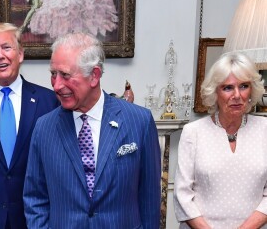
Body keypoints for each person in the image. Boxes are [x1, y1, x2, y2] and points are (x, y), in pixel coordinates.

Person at [23, 32, 161, 228]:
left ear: (94, 75)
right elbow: (35, 198)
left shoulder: (139, 121)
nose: (56, 85)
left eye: (65, 75)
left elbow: (150, 199)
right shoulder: (44, 128)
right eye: (53, 74)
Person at [0, 23, 59, 229]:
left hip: (34, 220)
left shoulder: (50, 102)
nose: (0, 56)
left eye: (6, 47)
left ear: (20, 54)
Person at [174, 52, 267, 229]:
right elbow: (182, 194)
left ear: (252, 90)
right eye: (228, 88)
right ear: (215, 92)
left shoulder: (265, 129)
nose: (237, 95)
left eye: (244, 86)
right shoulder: (193, 132)